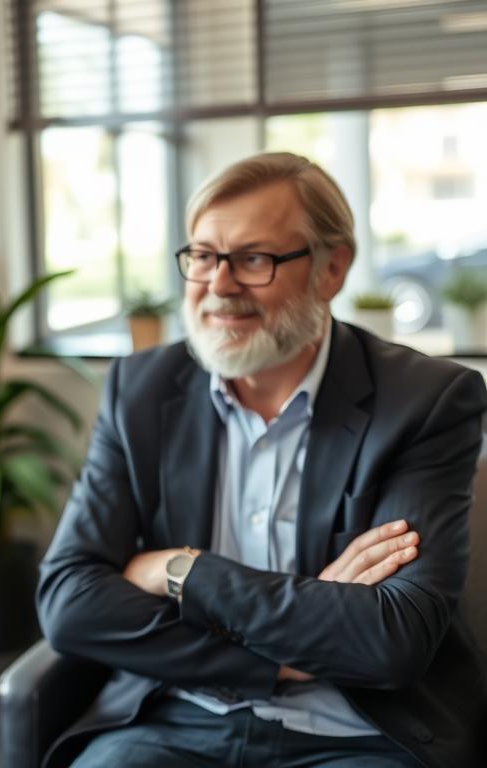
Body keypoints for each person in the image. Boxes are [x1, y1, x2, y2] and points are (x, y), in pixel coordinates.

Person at [37, 152, 487, 768]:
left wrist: (183, 570)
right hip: (175, 719)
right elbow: (70, 603)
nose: (218, 286)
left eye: (254, 259)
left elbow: (390, 640)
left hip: (357, 733)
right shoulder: (140, 390)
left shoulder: (424, 402)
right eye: (202, 256)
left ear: (332, 269)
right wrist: (283, 656)